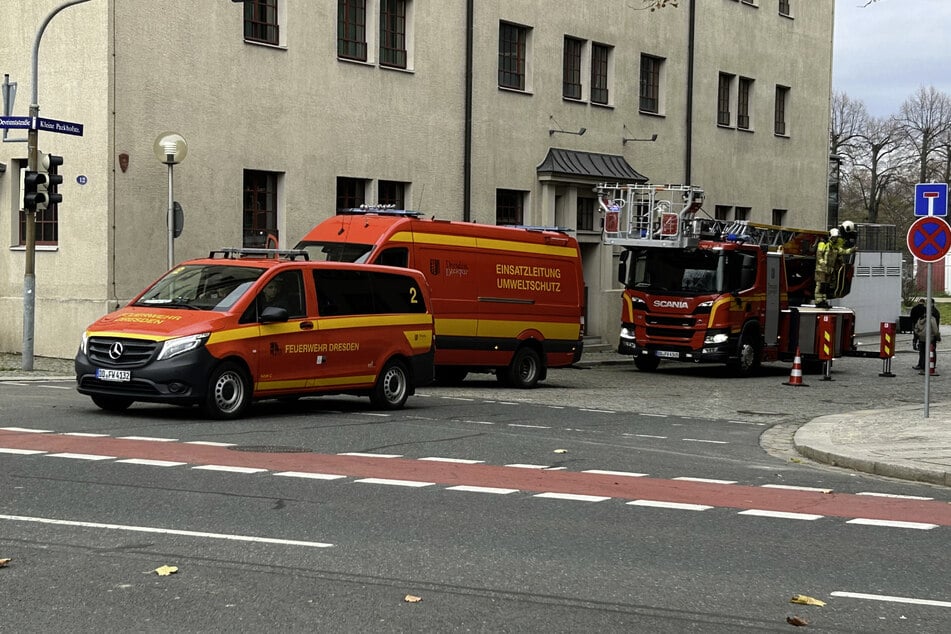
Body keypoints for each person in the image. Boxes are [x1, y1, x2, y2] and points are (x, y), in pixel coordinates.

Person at [913, 301, 940, 372]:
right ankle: (931, 366)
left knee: (922, 352)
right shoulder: (932, 319)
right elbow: (935, 329)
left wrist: (919, 334)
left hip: (922, 338)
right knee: (931, 352)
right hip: (931, 338)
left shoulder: (920, 319)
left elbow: (916, 328)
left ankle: (922, 366)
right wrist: (937, 337)